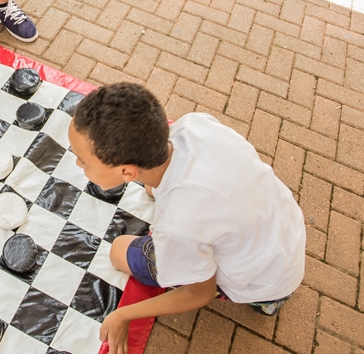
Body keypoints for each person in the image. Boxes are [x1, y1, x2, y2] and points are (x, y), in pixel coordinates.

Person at [67, 83, 306, 354]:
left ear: (127, 173)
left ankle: (265, 300)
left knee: (119, 251)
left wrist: (123, 315)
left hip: (264, 283)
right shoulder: (194, 124)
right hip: (289, 235)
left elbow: (199, 293)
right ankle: (270, 296)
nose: (78, 164)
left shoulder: (176, 225)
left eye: (83, 161)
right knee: (153, 188)